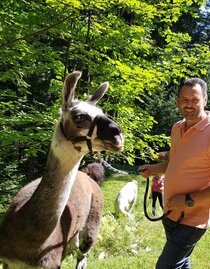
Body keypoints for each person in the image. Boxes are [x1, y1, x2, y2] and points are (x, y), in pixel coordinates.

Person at [139, 77, 210, 269]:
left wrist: (188, 200)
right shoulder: (177, 127)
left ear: (205, 99)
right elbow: (176, 161)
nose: (189, 105)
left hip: (194, 218)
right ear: (178, 101)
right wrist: (154, 169)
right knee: (182, 262)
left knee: (166, 266)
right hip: (171, 212)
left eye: (195, 100)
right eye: (184, 100)